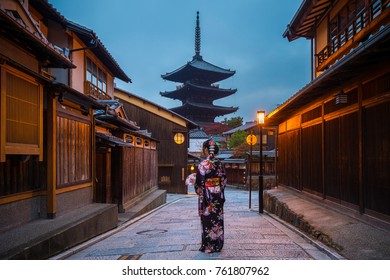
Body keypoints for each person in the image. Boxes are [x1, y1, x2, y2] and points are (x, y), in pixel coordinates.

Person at [195, 139, 227, 253]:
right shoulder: (220, 164)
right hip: (217, 194)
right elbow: (223, 182)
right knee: (217, 219)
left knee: (207, 219)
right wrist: (218, 190)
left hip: (206, 196)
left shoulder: (203, 164)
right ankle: (218, 244)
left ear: (205, 149)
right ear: (216, 151)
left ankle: (208, 245)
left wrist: (200, 191)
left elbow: (199, 184)